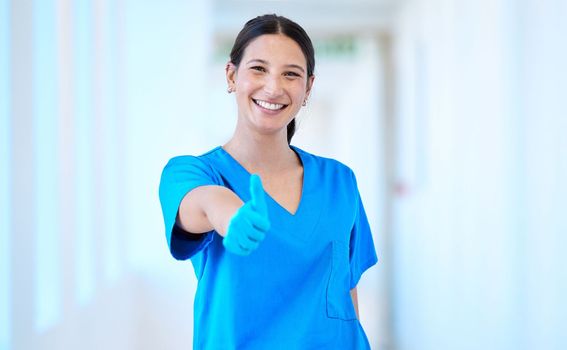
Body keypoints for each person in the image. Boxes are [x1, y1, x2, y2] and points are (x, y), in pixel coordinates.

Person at [159, 14, 378, 349]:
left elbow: (346, 294)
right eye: (259, 69)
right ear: (232, 75)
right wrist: (231, 215)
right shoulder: (193, 172)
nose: (274, 87)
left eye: (291, 74)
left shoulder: (339, 182)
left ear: (308, 88)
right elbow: (201, 203)